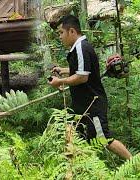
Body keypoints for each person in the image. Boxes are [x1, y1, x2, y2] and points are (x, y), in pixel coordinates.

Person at [48, 15, 132, 159]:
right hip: (83, 106)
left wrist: (60, 82)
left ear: (72, 31)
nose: (60, 37)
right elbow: (84, 69)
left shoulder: (81, 47)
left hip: (93, 104)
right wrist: (63, 70)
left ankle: (134, 164)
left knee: (104, 139)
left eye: (61, 33)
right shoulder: (79, 47)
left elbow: (82, 77)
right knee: (79, 139)